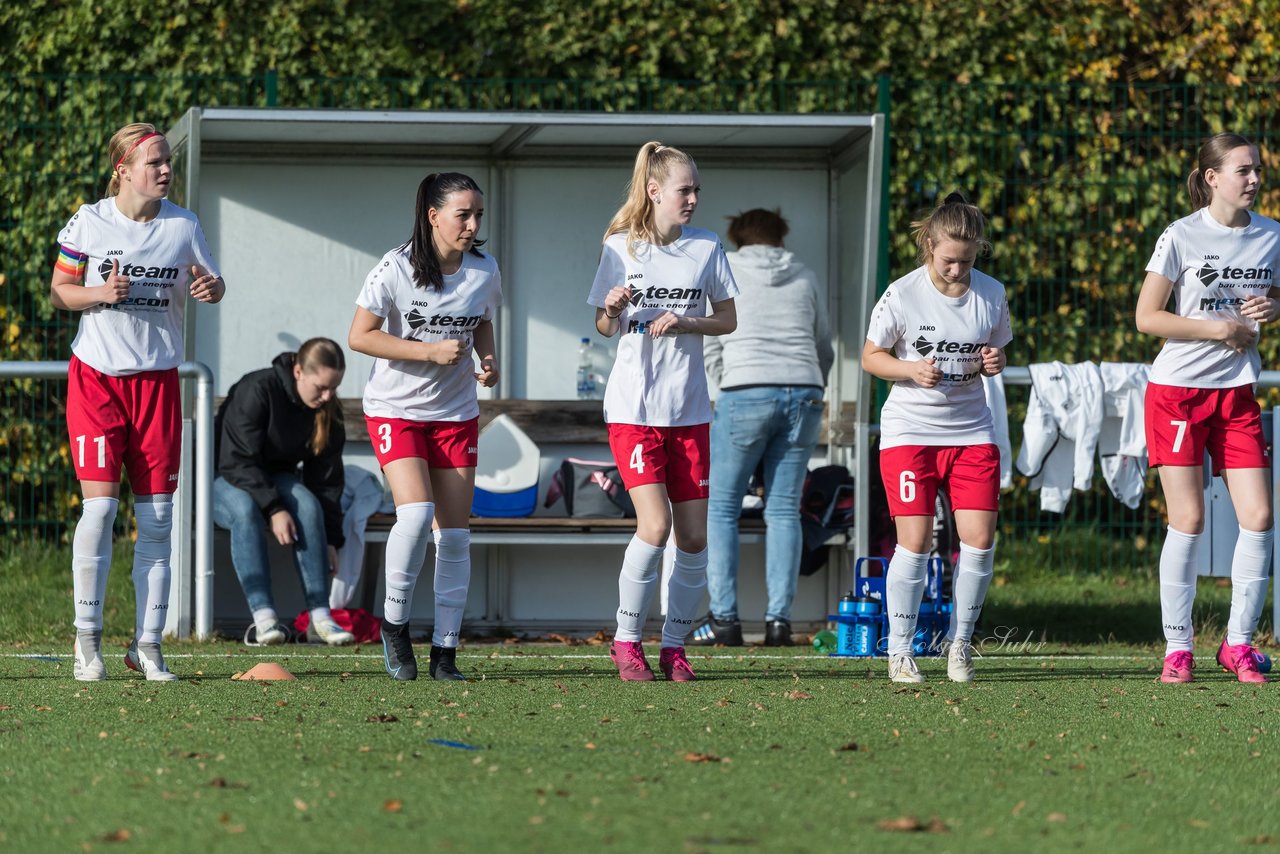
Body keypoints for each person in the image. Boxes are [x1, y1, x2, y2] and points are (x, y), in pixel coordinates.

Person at [51, 122, 225, 682]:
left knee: (156, 521)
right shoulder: (90, 221)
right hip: (98, 381)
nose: (165, 169)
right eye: (153, 162)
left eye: (167, 161)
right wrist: (97, 294)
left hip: (157, 385)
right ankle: (87, 643)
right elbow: (60, 290)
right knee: (100, 510)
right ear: (123, 170)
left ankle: (147, 646)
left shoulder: (184, 225)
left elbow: (212, 280)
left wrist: (211, 288)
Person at [589, 141, 739, 682]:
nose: (694, 198)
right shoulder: (619, 245)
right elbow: (606, 327)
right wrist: (610, 309)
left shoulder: (706, 247)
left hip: (690, 411)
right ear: (654, 192)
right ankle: (626, 642)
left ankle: (674, 647)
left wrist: (686, 321)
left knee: (693, 538)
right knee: (654, 526)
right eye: (685, 189)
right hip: (633, 409)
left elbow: (726, 319)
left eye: (697, 189)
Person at [1135, 132, 1280, 685]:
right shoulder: (1181, 236)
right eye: (1243, 170)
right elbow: (1148, 318)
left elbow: (1276, 298)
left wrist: (1273, 305)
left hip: (1237, 396)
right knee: (1190, 520)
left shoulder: (1271, 235)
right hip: (1177, 394)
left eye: (1258, 169)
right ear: (1212, 177)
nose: (1255, 179)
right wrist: (1217, 329)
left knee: (1260, 518)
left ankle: (1238, 645)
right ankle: (1178, 648)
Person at [348, 172, 501, 682]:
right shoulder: (394, 268)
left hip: (455, 414)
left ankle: (445, 653)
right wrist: (427, 351)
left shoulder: (483, 269)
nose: (473, 224)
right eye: (463, 214)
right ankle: (394, 628)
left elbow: (480, 319)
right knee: (416, 516)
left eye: (478, 214)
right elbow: (360, 336)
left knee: (455, 537)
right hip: (396, 409)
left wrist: (488, 358)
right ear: (433, 216)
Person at [862, 192, 1011, 684]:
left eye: (967, 261)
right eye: (948, 260)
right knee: (917, 541)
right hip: (911, 433)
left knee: (980, 540)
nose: (956, 270)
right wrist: (908, 369)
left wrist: (994, 362)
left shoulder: (991, 292)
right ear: (928, 244)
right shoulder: (902, 294)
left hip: (973, 431)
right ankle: (900, 651)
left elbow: (997, 350)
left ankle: (960, 645)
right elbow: (870, 356)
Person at [691, 208, 833, 647]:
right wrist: (809, 385)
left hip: (746, 389)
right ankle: (778, 624)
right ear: (780, 237)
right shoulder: (805, 274)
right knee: (784, 509)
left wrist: (725, 383)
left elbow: (711, 338)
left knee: (721, 507)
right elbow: (823, 345)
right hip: (805, 390)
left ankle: (725, 621)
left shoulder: (725, 268)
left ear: (738, 238)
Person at [214, 338, 355, 647]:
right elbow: (236, 461)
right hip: (225, 476)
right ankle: (264, 619)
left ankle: (320, 617)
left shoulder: (327, 408)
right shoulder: (258, 389)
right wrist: (274, 508)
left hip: (273, 479)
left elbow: (327, 480)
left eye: (334, 387)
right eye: (321, 387)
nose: (328, 396)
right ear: (298, 371)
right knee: (243, 509)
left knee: (307, 504)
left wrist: (331, 538)